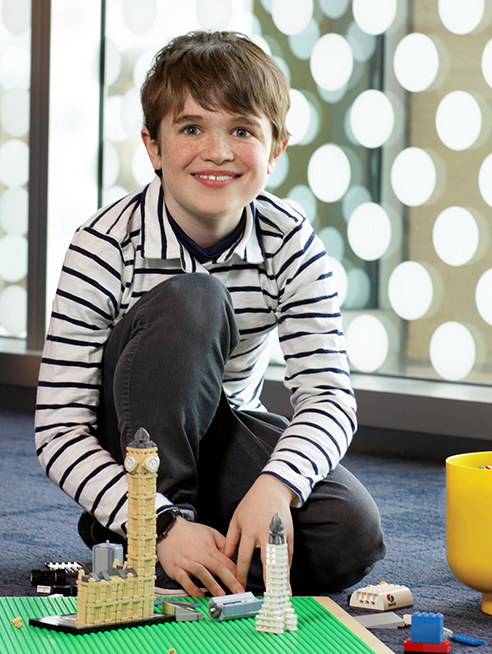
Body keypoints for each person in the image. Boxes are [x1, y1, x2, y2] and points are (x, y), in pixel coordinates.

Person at [35, 30, 385, 598]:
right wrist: (160, 521)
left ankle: (180, 547)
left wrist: (274, 485)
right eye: (192, 128)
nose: (218, 151)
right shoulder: (102, 244)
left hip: (219, 427)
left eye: (242, 130)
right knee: (196, 297)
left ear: (275, 149)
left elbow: (329, 397)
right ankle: (153, 537)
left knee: (350, 533)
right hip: (125, 440)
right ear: (153, 146)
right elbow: (58, 431)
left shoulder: (290, 241)